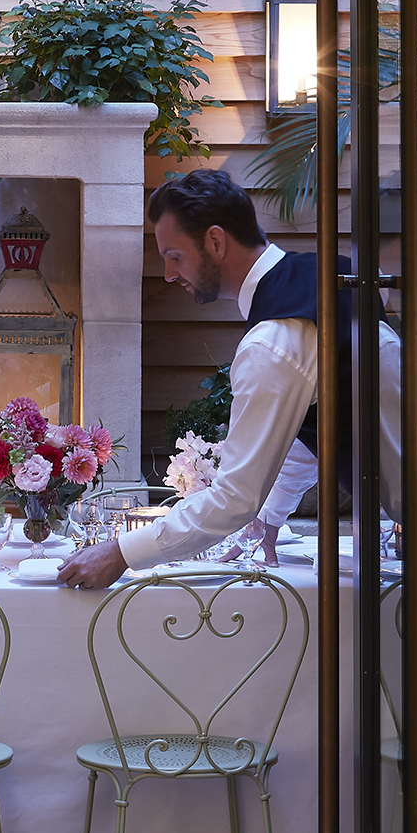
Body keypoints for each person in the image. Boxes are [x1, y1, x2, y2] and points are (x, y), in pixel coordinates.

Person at [58, 169, 321, 588]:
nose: (166, 274)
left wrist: (121, 552)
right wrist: (269, 517)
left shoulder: (272, 342)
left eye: (174, 255)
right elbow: (316, 432)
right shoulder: (318, 280)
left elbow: (235, 499)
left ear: (215, 242)